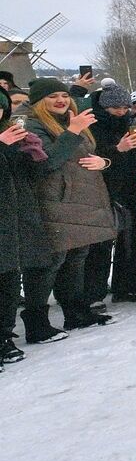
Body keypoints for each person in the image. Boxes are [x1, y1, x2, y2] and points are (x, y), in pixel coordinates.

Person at [25, 78, 117, 333]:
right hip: (54, 201)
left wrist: (103, 162)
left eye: (64, 95)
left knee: (77, 257)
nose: (61, 100)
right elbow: (47, 162)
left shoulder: (71, 123)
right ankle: (36, 323)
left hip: (82, 199)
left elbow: (88, 155)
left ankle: (76, 312)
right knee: (51, 262)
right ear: (39, 102)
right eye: (53, 96)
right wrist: (73, 132)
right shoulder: (34, 127)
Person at [89, 84, 136, 307]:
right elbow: (92, 155)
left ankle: (126, 286)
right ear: (105, 107)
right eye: (116, 108)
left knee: (130, 241)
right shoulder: (94, 125)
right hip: (106, 189)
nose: (121, 111)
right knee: (100, 246)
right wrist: (117, 149)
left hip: (131, 186)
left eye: (124, 107)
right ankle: (94, 294)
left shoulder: (129, 121)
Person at [1, 89, 51, 361]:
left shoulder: (11, 133)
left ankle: (4, 337)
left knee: (9, 282)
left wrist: (33, 153)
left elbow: (32, 176)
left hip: (15, 218)